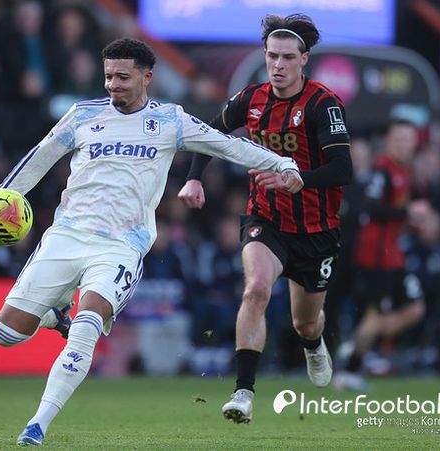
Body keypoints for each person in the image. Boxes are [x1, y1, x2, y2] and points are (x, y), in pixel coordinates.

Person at [0, 37, 303, 446]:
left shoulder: (170, 121)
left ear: (147, 77)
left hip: (121, 245)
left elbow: (228, 146)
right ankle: (55, 317)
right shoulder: (83, 115)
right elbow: (39, 157)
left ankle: (37, 425)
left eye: (122, 77)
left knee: (87, 325)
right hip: (66, 236)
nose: (113, 85)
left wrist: (283, 162)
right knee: (6, 333)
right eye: (108, 76)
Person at [177, 13, 352, 424]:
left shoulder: (323, 104)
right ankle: (243, 393)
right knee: (256, 290)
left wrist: (299, 179)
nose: (278, 65)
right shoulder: (251, 99)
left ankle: (313, 344)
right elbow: (209, 135)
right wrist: (194, 178)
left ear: (304, 59)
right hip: (265, 218)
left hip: (315, 229)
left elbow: (343, 169)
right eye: (272, 56)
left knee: (305, 323)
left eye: (288, 57)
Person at [334, 120, 426, 391]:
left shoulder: (402, 170)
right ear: (388, 142)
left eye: (408, 140)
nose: (403, 145)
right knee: (378, 316)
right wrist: (407, 213)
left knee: (415, 309)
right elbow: (370, 208)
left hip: (392, 255)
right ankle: (352, 363)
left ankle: (358, 343)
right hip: (376, 257)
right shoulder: (382, 171)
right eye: (398, 139)